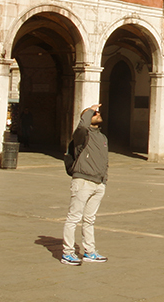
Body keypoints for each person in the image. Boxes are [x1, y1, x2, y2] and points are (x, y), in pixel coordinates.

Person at [61, 104, 108, 266]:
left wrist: (104, 181)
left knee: (89, 219)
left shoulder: (102, 138)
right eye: (95, 113)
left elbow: (104, 161)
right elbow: (82, 125)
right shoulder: (82, 135)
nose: (98, 114)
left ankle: (90, 251)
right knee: (74, 217)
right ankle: (67, 253)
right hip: (83, 181)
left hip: (98, 183)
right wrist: (89, 110)